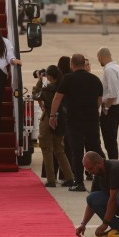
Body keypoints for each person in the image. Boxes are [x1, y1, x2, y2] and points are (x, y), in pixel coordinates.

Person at [50, 53, 103, 191]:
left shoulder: (67, 79)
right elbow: (99, 101)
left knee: (77, 152)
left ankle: (79, 182)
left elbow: (57, 99)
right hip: (91, 120)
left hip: (74, 121)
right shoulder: (95, 80)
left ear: (71, 65)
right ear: (85, 65)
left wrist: (52, 115)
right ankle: (101, 180)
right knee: (95, 150)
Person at [32, 65, 75, 188]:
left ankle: (51, 179)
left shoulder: (48, 89)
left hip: (48, 120)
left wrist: (40, 80)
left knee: (46, 149)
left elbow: (35, 95)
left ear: (50, 77)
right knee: (60, 150)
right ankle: (69, 177)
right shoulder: (63, 86)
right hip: (61, 120)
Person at [97, 47, 119, 160]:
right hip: (117, 108)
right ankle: (114, 162)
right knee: (112, 139)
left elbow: (113, 94)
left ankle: (113, 163)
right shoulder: (118, 68)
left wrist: (106, 108)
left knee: (109, 140)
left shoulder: (109, 70)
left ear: (101, 57)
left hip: (111, 108)